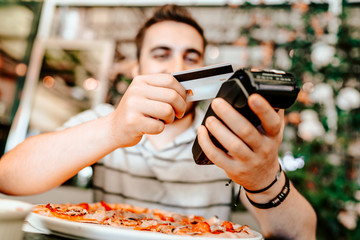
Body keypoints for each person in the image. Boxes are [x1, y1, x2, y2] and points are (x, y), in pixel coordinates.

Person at [0, 4, 316, 239]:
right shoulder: (102, 121)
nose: (177, 67)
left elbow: (301, 235)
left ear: (203, 68)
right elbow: (8, 178)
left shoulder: (226, 132)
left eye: (191, 57)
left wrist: (263, 179)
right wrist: (112, 130)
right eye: (161, 54)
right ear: (136, 67)